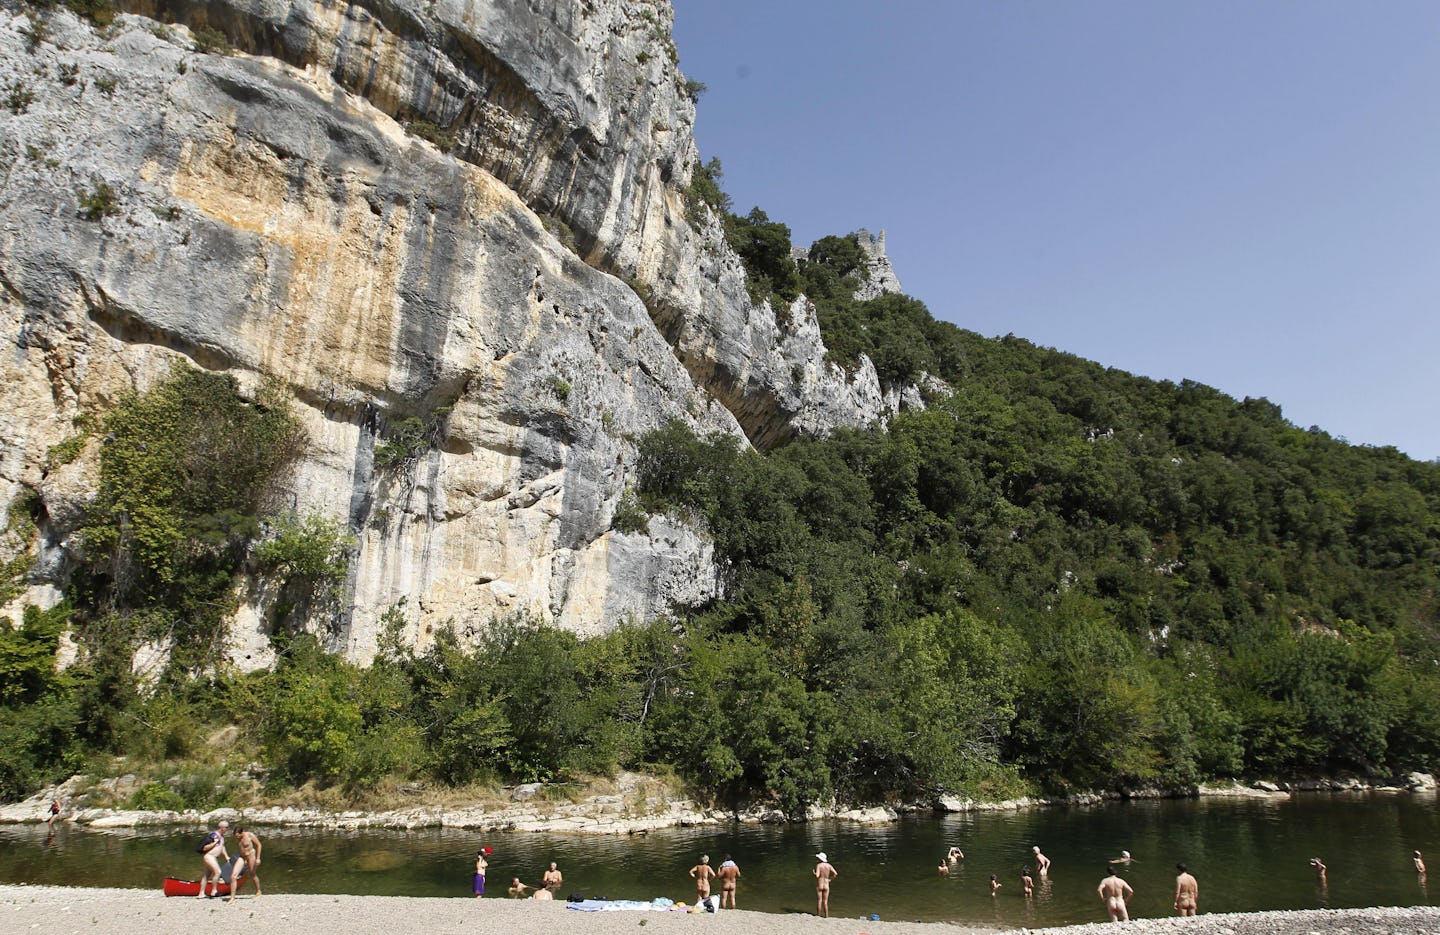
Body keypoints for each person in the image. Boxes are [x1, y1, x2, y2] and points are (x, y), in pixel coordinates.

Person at [227, 827, 262, 903]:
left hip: (251, 855)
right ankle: (232, 898)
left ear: (242, 832)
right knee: (233, 876)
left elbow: (259, 845)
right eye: (236, 836)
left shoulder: (249, 835)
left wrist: (258, 858)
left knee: (252, 873)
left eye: (238, 836)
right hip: (242, 857)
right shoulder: (238, 838)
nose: (237, 837)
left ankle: (258, 891)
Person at [196, 820, 230, 898]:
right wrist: (214, 843)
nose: (227, 829)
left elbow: (222, 847)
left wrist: (226, 856)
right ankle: (214, 891)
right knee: (218, 872)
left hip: (214, 857)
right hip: (209, 856)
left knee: (207, 875)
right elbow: (205, 848)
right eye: (226, 827)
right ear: (222, 828)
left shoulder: (222, 837)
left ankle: (201, 893)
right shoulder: (213, 835)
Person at [813, 852, 837, 918]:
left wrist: (814, 873)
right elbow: (835, 874)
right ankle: (826, 916)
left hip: (820, 885)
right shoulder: (829, 866)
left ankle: (818, 915)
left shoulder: (819, 865)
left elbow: (817, 876)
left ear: (820, 859)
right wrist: (830, 879)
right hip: (826, 885)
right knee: (825, 901)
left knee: (819, 900)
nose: (817, 859)